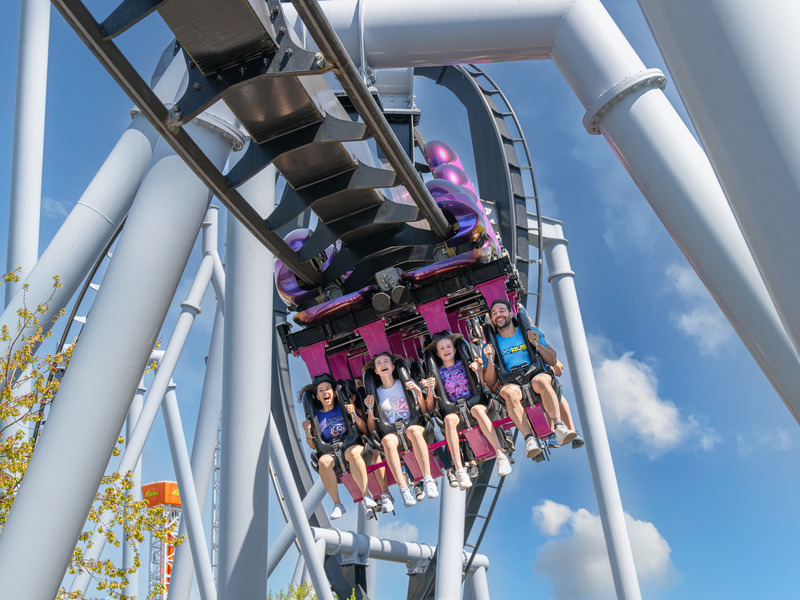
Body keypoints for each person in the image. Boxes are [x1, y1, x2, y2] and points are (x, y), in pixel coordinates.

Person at [482, 299, 577, 459]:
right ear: (491, 319)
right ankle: (529, 438)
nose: (498, 315)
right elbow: (490, 382)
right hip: (512, 383)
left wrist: (536, 344)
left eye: (502, 311)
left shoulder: (529, 331)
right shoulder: (490, 346)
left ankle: (558, 426)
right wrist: (490, 359)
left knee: (542, 381)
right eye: (494, 313)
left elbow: (553, 360)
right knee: (509, 393)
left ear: (510, 314)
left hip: (535, 376)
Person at [422, 334, 512, 489]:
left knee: (477, 409)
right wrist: (430, 389)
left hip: (474, 404)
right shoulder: (437, 374)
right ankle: (459, 469)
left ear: (455, 349)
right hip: (454, 410)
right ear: (437, 354)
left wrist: (479, 371)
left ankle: (500, 455)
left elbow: (482, 386)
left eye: (448, 346)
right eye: (442, 348)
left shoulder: (464, 364)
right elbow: (430, 408)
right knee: (449, 421)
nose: (446, 350)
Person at [363, 352, 439, 507]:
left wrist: (418, 392)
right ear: (376, 371)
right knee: (387, 441)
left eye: (386, 361)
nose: (383, 364)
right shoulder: (376, 393)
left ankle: (428, 478)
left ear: (392, 366)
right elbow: (372, 428)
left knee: (414, 432)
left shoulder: (404, 383)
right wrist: (369, 410)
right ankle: (404, 489)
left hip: (412, 426)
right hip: (393, 433)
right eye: (379, 363)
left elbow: (423, 410)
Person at [301, 374, 377, 520]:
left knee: (352, 454)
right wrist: (308, 432)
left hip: (352, 445)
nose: (325, 393)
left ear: (335, 392)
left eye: (328, 388)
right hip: (331, 452)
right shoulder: (316, 417)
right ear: (317, 396)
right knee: (323, 462)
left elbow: (363, 429)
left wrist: (354, 413)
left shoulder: (344, 408)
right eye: (321, 390)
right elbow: (313, 445)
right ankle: (337, 504)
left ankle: (365, 494)